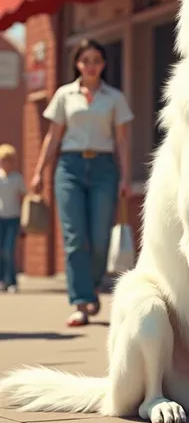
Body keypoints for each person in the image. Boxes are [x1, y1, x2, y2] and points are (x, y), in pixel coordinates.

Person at [31, 38, 134, 327]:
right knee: (74, 238)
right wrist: (40, 171)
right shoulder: (65, 95)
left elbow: (123, 141)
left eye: (96, 61)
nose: (91, 66)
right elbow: (53, 135)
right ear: (76, 63)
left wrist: (125, 177)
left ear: (104, 64)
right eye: (85, 60)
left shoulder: (114, 98)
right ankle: (80, 300)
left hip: (103, 168)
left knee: (100, 239)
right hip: (69, 168)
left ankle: (94, 285)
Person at [0, 144, 25, 293]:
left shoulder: (17, 178)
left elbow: (25, 196)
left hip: (13, 218)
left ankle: (12, 281)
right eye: (4, 160)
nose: (6, 163)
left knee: (9, 250)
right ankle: (2, 280)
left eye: (9, 160)